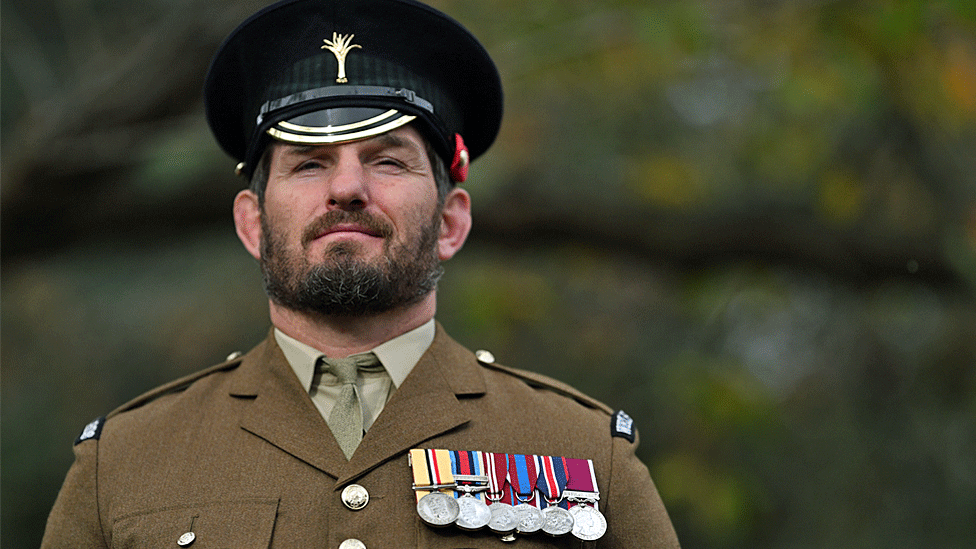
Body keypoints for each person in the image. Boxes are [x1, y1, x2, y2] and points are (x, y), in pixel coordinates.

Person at [41, 0, 680, 547]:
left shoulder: (586, 455)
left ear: (452, 222)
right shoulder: (121, 466)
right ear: (252, 223)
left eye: (388, 161)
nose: (347, 188)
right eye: (309, 164)